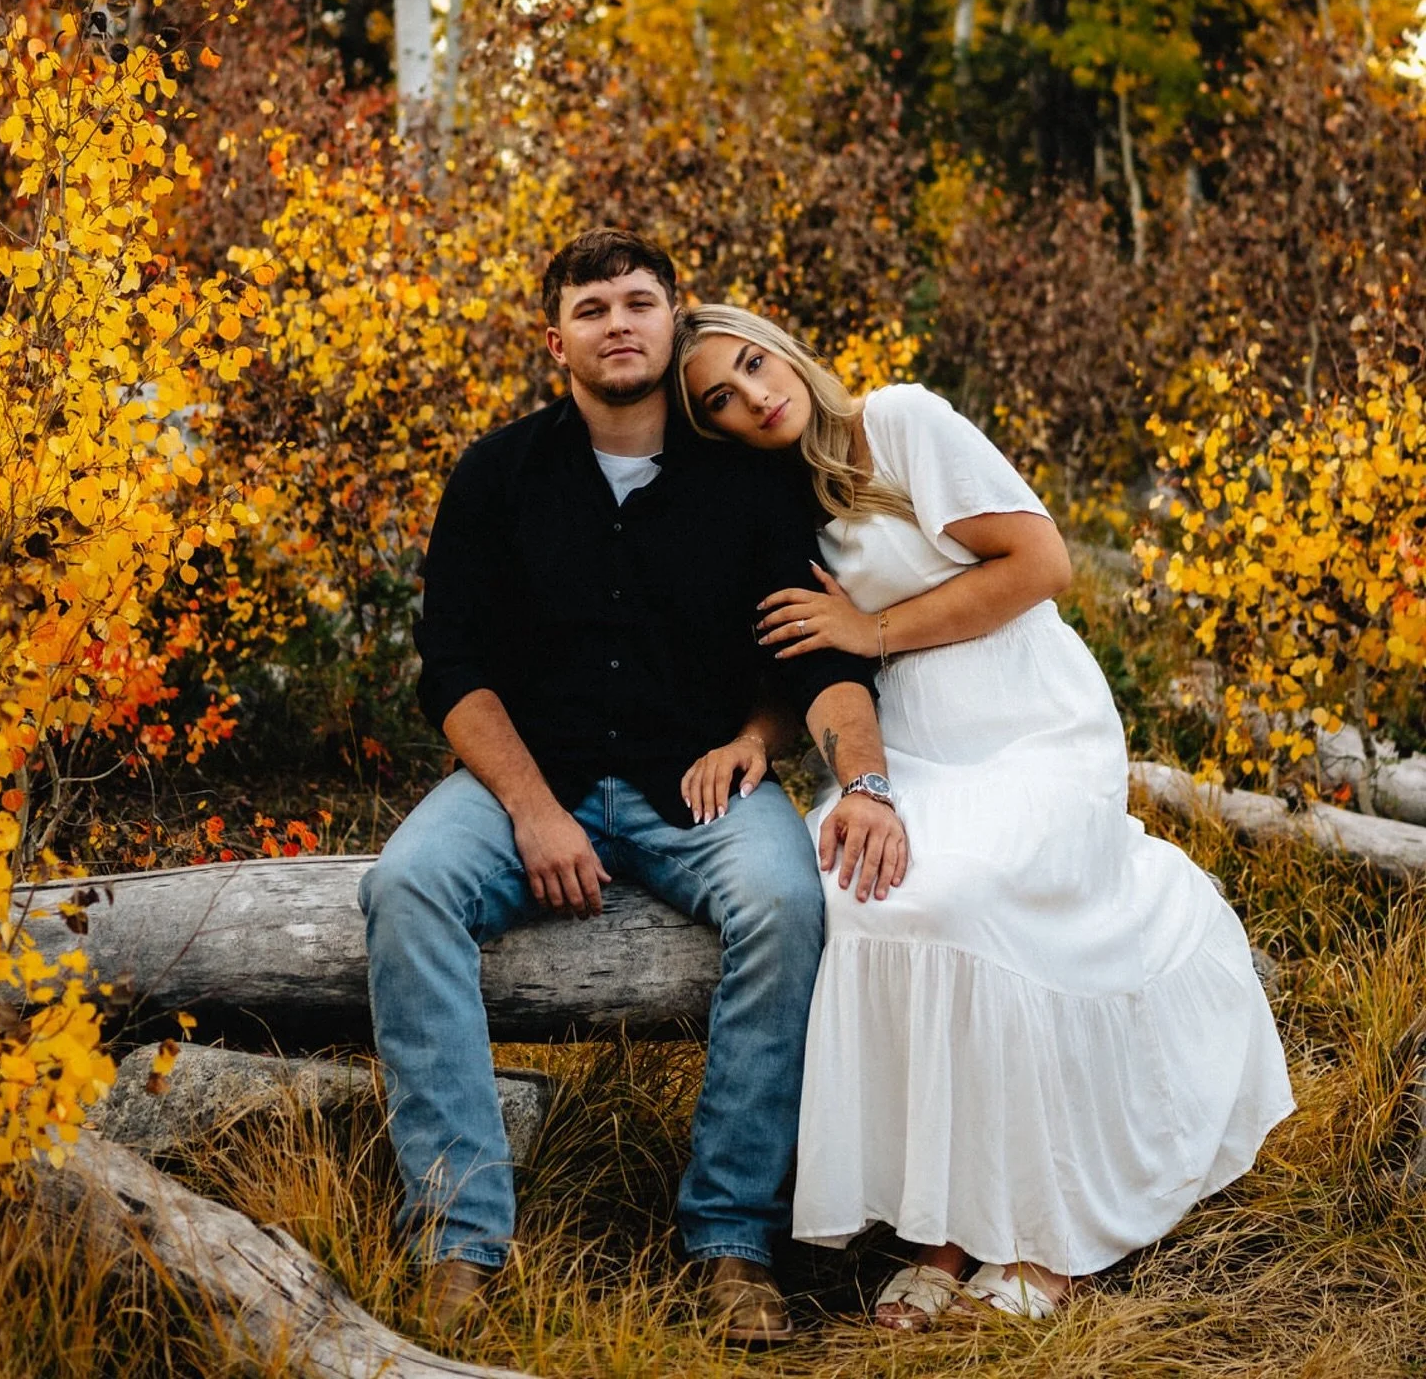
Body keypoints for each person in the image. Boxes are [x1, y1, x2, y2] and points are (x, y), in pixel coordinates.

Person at [674, 303, 1295, 1327]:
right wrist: (755, 737)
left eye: (752, 363)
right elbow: (812, 650)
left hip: (1030, 722)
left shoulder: (901, 422)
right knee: (868, 900)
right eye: (722, 402)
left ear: (782, 346)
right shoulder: (776, 502)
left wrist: (872, 627)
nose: (754, 395)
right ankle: (941, 1233)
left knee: (968, 900)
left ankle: (1043, 1238)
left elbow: (1041, 565)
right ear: (717, 431)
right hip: (914, 745)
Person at [359, 231, 905, 1347]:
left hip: (692, 785)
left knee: (789, 901)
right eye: (595, 305)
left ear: (674, 323)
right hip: (529, 776)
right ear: (554, 338)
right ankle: (460, 1241)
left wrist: (859, 780)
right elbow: (452, 670)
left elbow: (816, 658)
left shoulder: (748, 488)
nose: (620, 320)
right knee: (407, 884)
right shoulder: (497, 474)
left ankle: (730, 1242)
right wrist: (532, 810)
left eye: (641, 301)